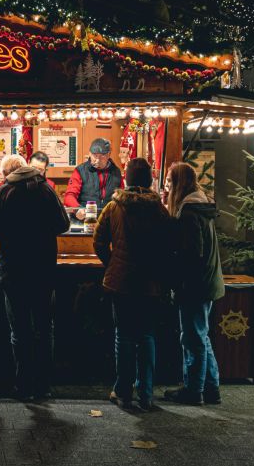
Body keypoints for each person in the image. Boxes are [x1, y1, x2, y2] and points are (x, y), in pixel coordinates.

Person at [0, 155, 70, 400]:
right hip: (43, 270)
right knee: (43, 328)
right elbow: (64, 225)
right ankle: (43, 386)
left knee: (19, 331)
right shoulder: (46, 190)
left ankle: (23, 385)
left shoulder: (4, 193)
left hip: (14, 271)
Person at [93, 157, 171, 411]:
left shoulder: (114, 206)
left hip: (122, 282)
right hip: (150, 282)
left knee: (124, 336)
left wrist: (113, 263)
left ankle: (123, 391)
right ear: (149, 180)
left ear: (126, 178)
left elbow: (98, 241)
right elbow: (168, 246)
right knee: (147, 335)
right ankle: (146, 393)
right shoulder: (159, 209)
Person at [162, 162, 225, 406]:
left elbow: (190, 254)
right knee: (201, 335)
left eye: (169, 182)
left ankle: (194, 390)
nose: (166, 188)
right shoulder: (200, 205)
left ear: (178, 183)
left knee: (192, 338)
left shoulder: (188, 212)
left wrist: (175, 277)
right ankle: (211, 387)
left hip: (195, 284)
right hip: (207, 280)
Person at [64, 138, 122, 219]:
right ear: (90, 154)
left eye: (102, 156)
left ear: (109, 155)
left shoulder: (116, 172)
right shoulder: (80, 171)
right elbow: (69, 196)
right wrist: (77, 209)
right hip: (85, 220)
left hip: (109, 221)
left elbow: (122, 197)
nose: (97, 160)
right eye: (95, 156)